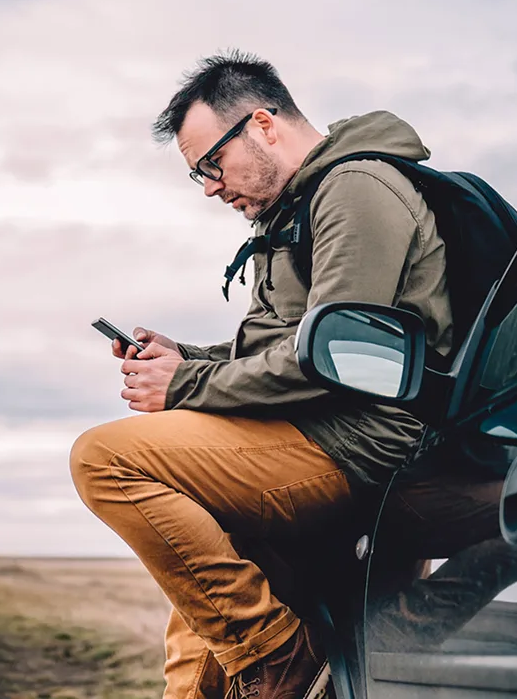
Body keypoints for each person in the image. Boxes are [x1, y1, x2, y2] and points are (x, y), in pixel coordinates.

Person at [69, 50, 453, 699]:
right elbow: (278, 348)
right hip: (307, 436)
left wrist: (183, 386)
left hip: (356, 443)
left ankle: (277, 656)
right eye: (199, 178)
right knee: (203, 589)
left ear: (264, 125)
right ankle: (255, 659)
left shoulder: (358, 190)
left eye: (211, 166)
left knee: (103, 459)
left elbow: (336, 359)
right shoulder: (292, 211)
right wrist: (187, 358)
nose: (212, 188)